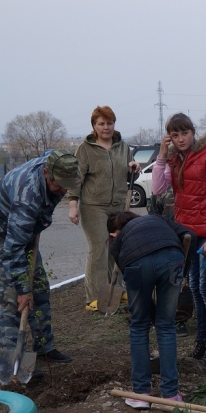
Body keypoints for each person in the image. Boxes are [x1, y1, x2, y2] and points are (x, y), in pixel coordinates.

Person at [0, 150, 77, 382]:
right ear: (45, 173)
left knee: (39, 287)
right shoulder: (27, 197)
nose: (63, 190)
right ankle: (14, 360)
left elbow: (51, 153)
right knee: (10, 297)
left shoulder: (60, 164)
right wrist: (23, 289)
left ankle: (44, 347)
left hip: (26, 231)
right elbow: (12, 249)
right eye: (59, 185)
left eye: (67, 185)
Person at [152, 112, 206, 371]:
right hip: (188, 234)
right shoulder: (175, 160)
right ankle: (202, 340)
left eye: (184, 133)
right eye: (174, 135)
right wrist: (162, 156)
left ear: (192, 132)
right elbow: (156, 189)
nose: (180, 138)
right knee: (195, 288)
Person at [107, 211, 195, 408]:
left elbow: (115, 252)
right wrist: (183, 273)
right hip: (173, 260)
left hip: (136, 264)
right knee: (166, 325)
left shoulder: (120, 236)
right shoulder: (158, 218)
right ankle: (170, 395)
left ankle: (141, 394)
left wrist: (133, 282)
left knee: (139, 326)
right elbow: (190, 235)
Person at [68, 106, 141, 310]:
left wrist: (134, 168)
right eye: (101, 124)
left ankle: (117, 289)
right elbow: (76, 179)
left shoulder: (122, 147)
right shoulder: (85, 149)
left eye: (109, 123)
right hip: (93, 206)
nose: (106, 127)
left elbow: (129, 174)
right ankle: (95, 297)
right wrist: (73, 205)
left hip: (117, 205)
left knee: (116, 247)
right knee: (99, 248)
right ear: (94, 126)